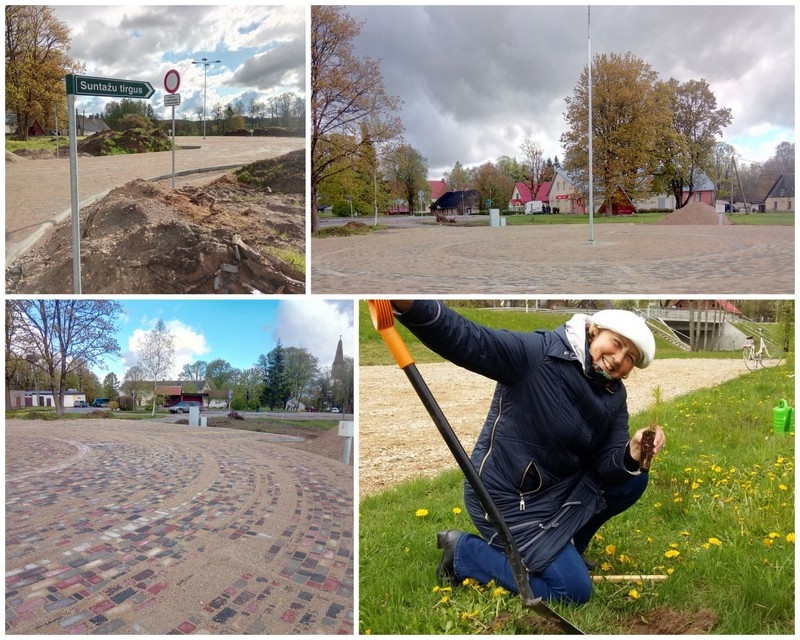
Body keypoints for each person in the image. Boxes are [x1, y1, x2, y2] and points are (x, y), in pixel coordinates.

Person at [391, 300, 665, 605]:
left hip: (557, 491)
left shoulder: (614, 394)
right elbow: (470, 339)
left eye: (630, 358)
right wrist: (410, 305)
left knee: (633, 479)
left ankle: (568, 545)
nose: (618, 360)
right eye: (616, 344)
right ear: (593, 332)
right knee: (572, 591)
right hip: (507, 496)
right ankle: (464, 552)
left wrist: (632, 451)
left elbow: (607, 464)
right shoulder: (539, 354)